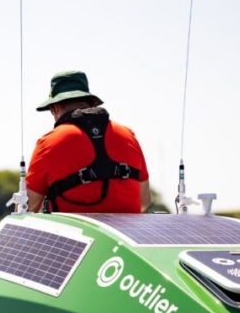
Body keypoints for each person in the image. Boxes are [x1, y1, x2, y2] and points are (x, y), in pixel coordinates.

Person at [26, 71, 150, 213]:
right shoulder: (129, 135)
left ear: (54, 108)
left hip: (71, 234)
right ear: (91, 103)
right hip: (127, 234)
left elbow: (28, 209)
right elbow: (144, 201)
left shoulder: (47, 143)